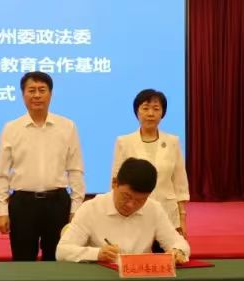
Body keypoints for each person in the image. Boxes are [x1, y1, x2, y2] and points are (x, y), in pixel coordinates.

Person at [0, 71, 85, 261]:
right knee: (23, 261)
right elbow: (2, 174)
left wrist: (76, 208)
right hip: (23, 204)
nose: (36, 95)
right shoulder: (11, 128)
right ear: (23, 94)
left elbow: (75, 170)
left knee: (58, 259)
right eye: (31, 90)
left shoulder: (67, 126)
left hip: (57, 203)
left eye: (42, 90)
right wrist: (2, 210)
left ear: (50, 94)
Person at [57, 158, 189, 263]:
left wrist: (177, 251)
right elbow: (62, 251)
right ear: (114, 183)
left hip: (141, 280)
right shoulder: (91, 209)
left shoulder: (154, 209)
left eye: (140, 200)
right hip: (102, 280)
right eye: (126, 196)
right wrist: (97, 254)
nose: (131, 205)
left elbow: (180, 244)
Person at [111, 88, 190, 236]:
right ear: (137, 112)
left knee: (168, 250)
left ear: (162, 113)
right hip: (135, 212)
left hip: (167, 213)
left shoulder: (173, 141)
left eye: (156, 109)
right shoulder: (124, 142)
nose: (150, 114)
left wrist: (182, 219)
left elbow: (180, 182)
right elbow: (116, 181)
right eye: (145, 108)